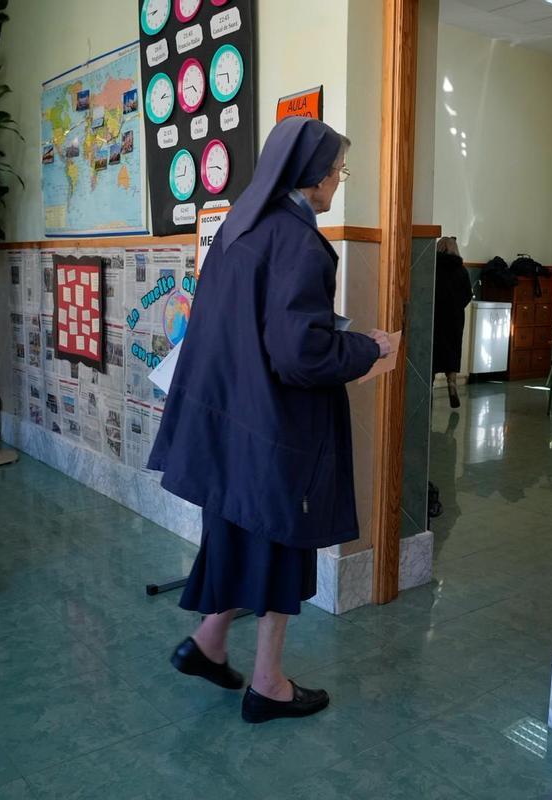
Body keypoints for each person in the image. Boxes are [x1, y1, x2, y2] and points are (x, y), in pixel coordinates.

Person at [148, 117, 391, 723]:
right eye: (339, 171)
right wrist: (368, 348)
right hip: (275, 428)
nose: (339, 182)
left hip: (228, 422)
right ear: (314, 176)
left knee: (235, 531)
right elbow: (299, 354)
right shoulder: (298, 242)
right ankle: (268, 684)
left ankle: (208, 643)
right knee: (282, 543)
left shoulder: (239, 226)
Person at [432, 236, 473, 408]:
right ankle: (452, 384)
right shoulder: (461, 270)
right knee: (452, 352)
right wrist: (456, 307)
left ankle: (428, 389)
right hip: (454, 319)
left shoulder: (432, 268)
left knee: (433, 354)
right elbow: (468, 295)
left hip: (435, 318)